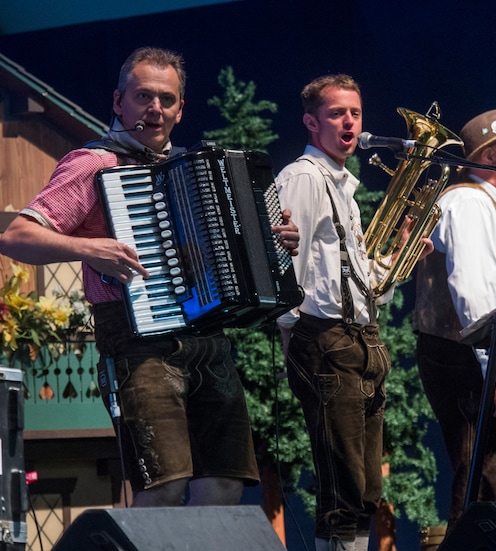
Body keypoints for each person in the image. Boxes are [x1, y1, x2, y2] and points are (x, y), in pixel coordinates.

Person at [0, 46, 300, 507]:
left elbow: (234, 252)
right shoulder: (94, 164)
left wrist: (275, 240)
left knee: (222, 485)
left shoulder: (189, 166)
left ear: (181, 110)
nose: (154, 108)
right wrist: (87, 248)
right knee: (164, 485)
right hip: (136, 341)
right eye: (143, 96)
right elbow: (16, 235)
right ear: (119, 102)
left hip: (208, 340)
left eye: (166, 99)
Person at [275, 74, 431, 551]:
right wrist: (295, 347)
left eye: (356, 113)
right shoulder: (303, 177)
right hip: (325, 341)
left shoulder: (341, 184)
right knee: (342, 490)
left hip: (362, 340)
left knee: (365, 490)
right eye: (337, 113)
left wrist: (396, 261)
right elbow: (288, 272)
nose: (349, 122)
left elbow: (356, 283)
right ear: (311, 122)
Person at [414, 109, 496, 527]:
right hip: (470, 363)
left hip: (484, 364)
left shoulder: (486, 204)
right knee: (481, 484)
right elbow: (473, 293)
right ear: (489, 158)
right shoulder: (469, 202)